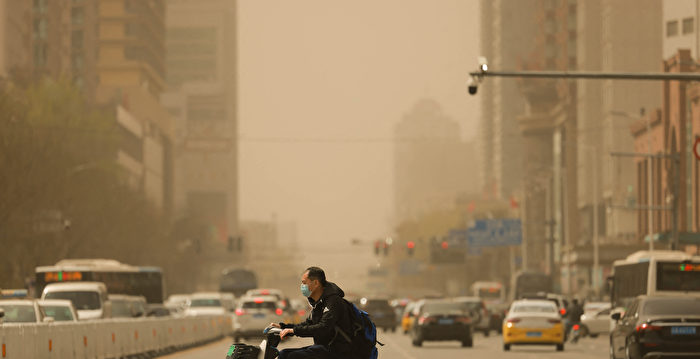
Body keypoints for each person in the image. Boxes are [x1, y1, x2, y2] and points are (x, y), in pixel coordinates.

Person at [270, 267, 353, 359]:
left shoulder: (333, 301)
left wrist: (294, 331)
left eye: (304, 283)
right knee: (284, 354)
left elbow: (323, 327)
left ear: (316, 283)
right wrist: (284, 328)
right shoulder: (318, 303)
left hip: (338, 350)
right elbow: (308, 324)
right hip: (324, 347)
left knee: (291, 356)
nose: (302, 286)